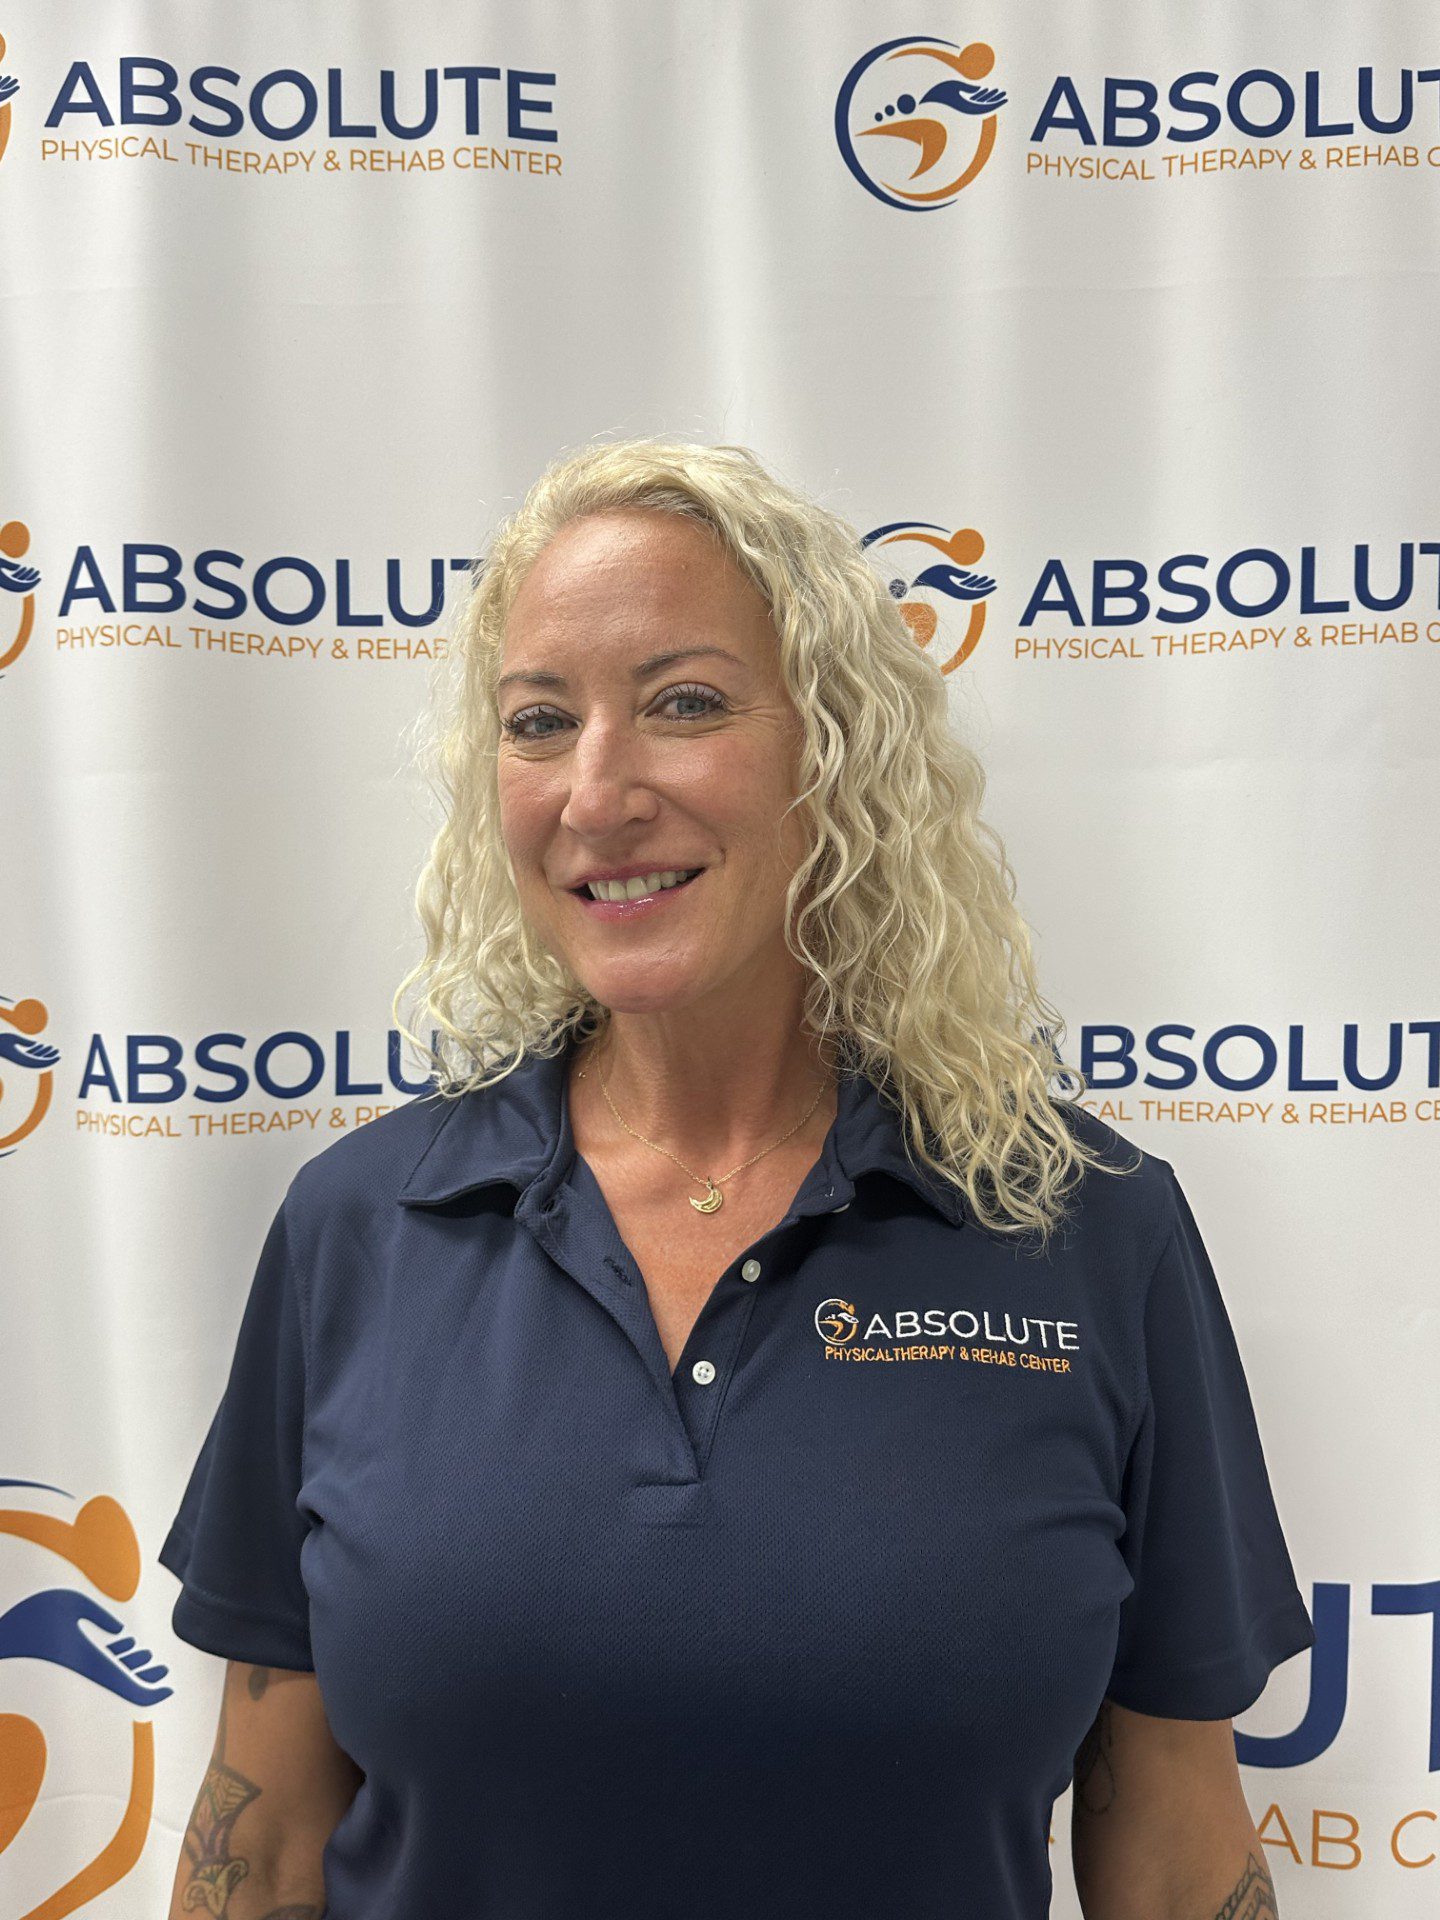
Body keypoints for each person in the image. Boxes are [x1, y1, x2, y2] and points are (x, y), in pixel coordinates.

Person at [158, 436, 1314, 1919]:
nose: (596, 792)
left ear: (833, 753)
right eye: (539, 722)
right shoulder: (362, 1228)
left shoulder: (1083, 1224)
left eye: (684, 704)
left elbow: (1174, 1840)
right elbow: (258, 1841)